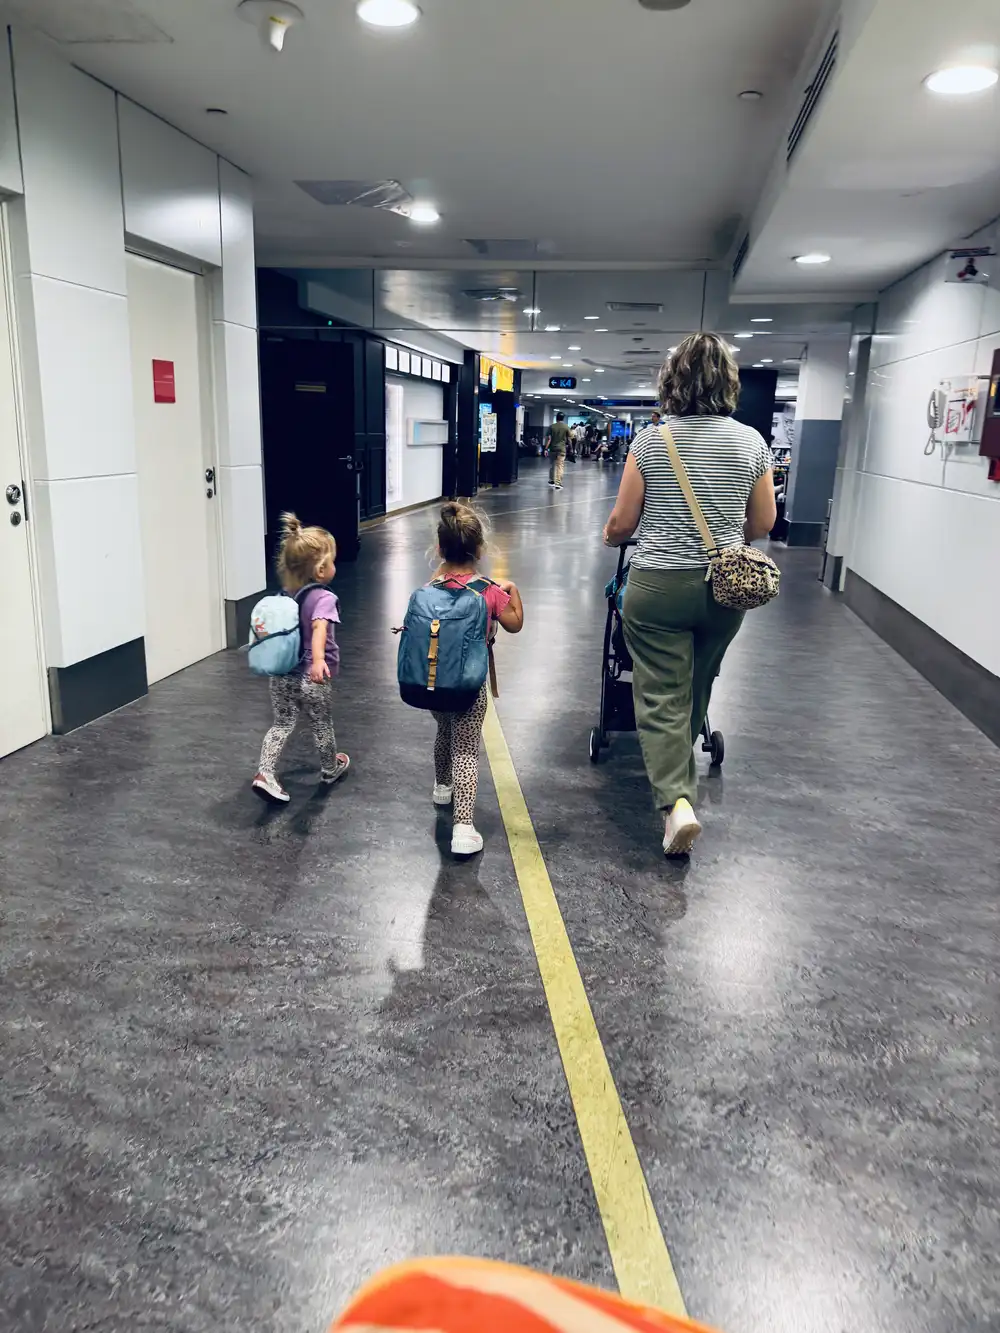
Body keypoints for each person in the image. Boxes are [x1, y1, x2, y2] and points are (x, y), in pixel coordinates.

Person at [603, 333, 776, 856]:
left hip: (658, 586)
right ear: (729, 381)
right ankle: (688, 748)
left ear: (671, 381)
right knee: (698, 678)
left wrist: (614, 535)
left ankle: (677, 804)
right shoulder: (751, 442)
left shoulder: (652, 441)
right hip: (725, 590)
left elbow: (622, 522)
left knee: (659, 693)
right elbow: (764, 521)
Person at [429, 503, 523, 854]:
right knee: (466, 749)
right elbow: (514, 623)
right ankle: (464, 827)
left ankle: (442, 787)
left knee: (443, 731)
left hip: (435, 680)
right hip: (470, 685)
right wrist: (513, 591)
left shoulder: (432, 585)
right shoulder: (489, 590)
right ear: (480, 550)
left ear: (440, 549)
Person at [252, 513, 350, 803]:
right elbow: (320, 626)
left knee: (282, 723)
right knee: (321, 724)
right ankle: (330, 768)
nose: (334, 565)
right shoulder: (324, 598)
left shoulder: (285, 595)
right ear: (320, 571)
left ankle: (264, 773)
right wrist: (318, 659)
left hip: (282, 673)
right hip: (312, 676)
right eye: (331, 561)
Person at [546, 413, 570, 488]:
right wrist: (571, 449)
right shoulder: (566, 427)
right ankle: (558, 483)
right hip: (562, 449)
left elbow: (549, 439)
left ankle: (551, 480)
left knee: (552, 465)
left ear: (556, 418)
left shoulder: (552, 426)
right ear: (563, 418)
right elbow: (569, 439)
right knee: (560, 466)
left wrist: (546, 448)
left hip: (552, 449)